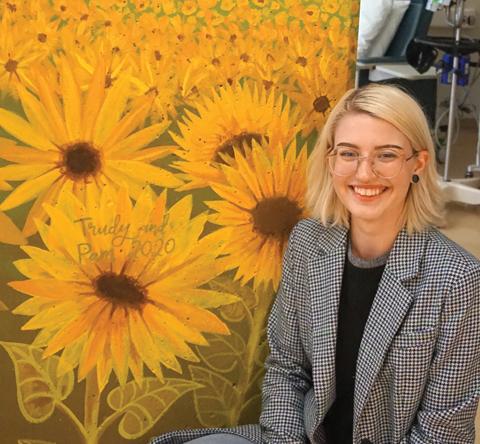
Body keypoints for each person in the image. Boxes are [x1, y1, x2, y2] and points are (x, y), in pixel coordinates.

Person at [150, 84, 480, 444]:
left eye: (386, 155)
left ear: (417, 163)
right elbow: (287, 369)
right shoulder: (308, 242)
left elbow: (443, 430)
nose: (364, 173)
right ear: (330, 160)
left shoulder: (458, 278)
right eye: (349, 153)